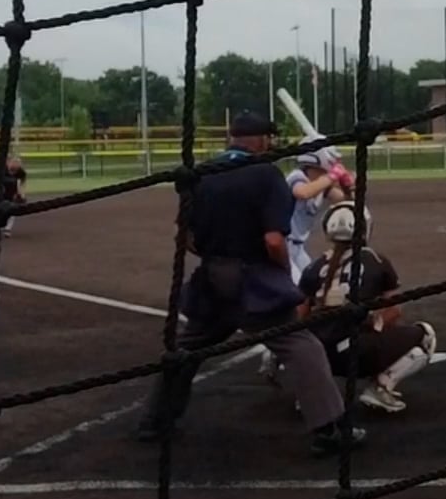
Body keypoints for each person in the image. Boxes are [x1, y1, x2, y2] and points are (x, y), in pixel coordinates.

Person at [134, 112, 358, 456]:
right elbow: (273, 240)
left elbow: (186, 237)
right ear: (260, 140)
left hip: (212, 277)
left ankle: (154, 421)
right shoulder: (265, 173)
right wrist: (280, 273)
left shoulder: (202, 173)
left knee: (185, 349)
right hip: (254, 278)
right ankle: (329, 430)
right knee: (301, 345)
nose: (271, 143)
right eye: (268, 138)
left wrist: (216, 256)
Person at [297, 201, 438, 414]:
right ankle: (381, 388)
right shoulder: (375, 260)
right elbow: (394, 311)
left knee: (298, 342)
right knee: (426, 335)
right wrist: (374, 328)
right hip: (357, 353)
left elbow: (298, 318)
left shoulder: (313, 267)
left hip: (319, 356)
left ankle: (311, 393)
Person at [285, 145, 347, 283]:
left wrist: (347, 185)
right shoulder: (297, 176)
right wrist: (331, 176)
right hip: (284, 245)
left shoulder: (320, 184)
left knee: (312, 282)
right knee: (298, 286)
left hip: (298, 247)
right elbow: (303, 192)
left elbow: (345, 199)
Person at [0, 155, 27, 236]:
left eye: (18, 163)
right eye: (14, 162)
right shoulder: (2, 170)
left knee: (12, 209)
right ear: (9, 163)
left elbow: (22, 184)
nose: (17, 164)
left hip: (12, 192)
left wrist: (22, 194)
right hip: (0, 192)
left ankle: (8, 228)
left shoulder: (21, 172)